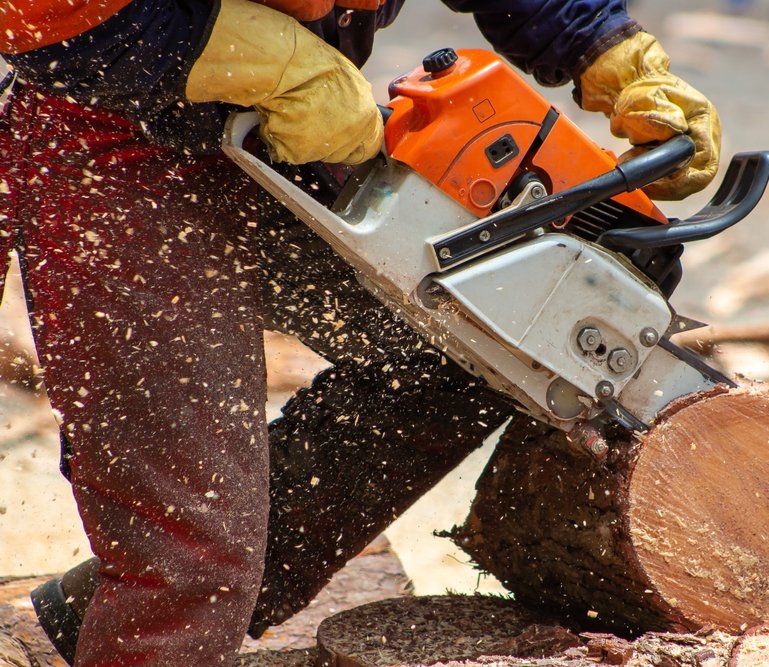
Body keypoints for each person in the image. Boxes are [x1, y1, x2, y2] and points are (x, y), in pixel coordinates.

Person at [0, 0, 721, 663]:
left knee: (475, 341)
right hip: (111, 144)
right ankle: (171, 611)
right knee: (192, 544)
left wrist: (607, 48)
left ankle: (109, 608)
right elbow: (42, 13)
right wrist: (237, 49)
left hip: (285, 122)